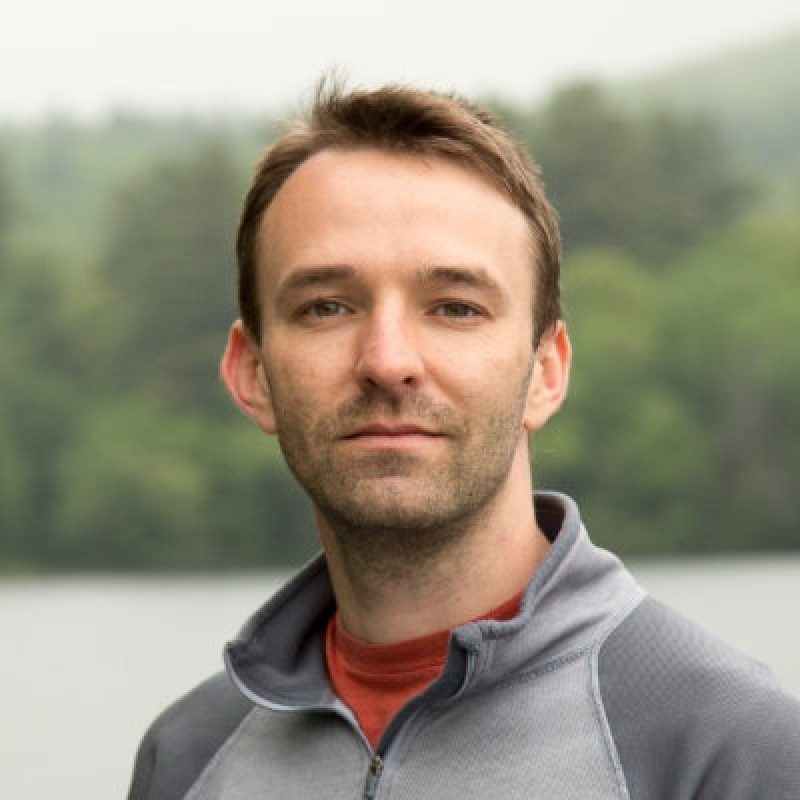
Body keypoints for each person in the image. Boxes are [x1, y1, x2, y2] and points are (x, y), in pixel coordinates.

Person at [127, 79, 800, 800]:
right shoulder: (189, 757)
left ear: (546, 372)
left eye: (455, 308)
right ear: (252, 372)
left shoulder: (729, 750)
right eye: (326, 307)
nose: (388, 361)